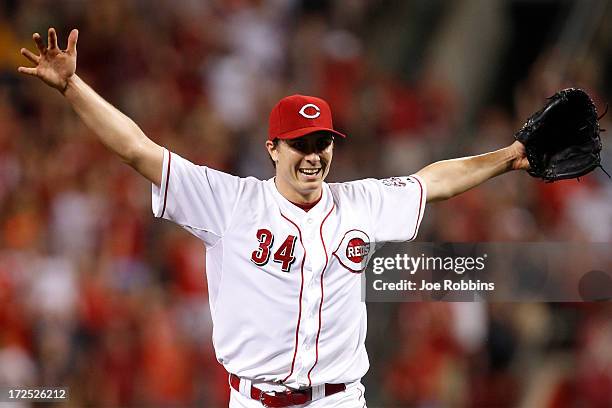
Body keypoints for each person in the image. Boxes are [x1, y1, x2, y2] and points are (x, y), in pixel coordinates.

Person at [19, 28, 529, 408]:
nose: (313, 156)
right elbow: (137, 149)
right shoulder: (231, 203)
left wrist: (509, 156)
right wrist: (72, 88)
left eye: (322, 143)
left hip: (340, 400)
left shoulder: (361, 203)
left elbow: (434, 181)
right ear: (272, 148)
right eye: (300, 145)